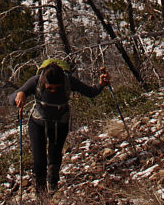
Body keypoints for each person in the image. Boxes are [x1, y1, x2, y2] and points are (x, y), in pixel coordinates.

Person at [12, 60, 110, 194]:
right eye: (49, 88)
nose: (53, 90)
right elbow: (12, 98)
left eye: (57, 88)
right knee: (39, 160)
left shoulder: (68, 80)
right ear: (43, 82)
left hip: (60, 123)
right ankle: (41, 194)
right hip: (37, 123)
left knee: (55, 155)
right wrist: (19, 94)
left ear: (62, 82)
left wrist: (101, 85)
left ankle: (52, 185)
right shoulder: (36, 80)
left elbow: (90, 92)